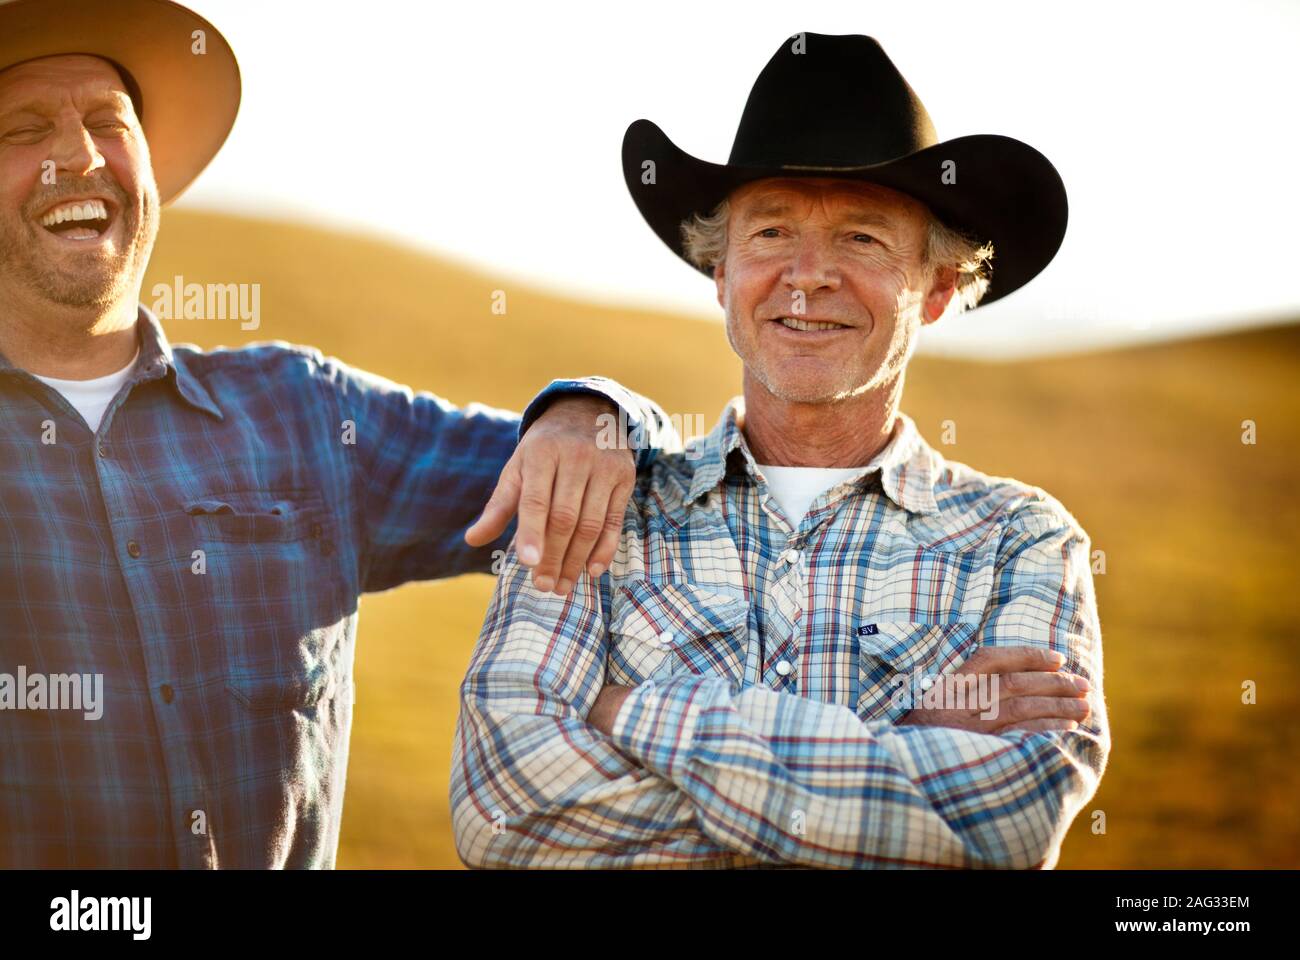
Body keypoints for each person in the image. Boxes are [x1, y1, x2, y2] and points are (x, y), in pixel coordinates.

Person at [0, 0, 676, 867]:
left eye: (107, 121)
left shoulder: (303, 413)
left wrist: (590, 416)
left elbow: (606, 480)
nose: (80, 155)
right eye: (23, 128)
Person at [453, 33, 1110, 869]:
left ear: (938, 287)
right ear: (719, 271)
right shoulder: (600, 503)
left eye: (863, 240)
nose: (808, 276)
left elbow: (1008, 826)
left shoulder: (1020, 538)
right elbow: (505, 810)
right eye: (770, 233)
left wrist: (628, 712)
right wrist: (901, 748)